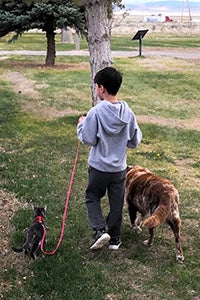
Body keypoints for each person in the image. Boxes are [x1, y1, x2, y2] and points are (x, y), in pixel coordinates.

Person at [77, 66, 142, 250]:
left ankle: (99, 231)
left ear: (102, 88)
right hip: (119, 169)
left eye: (96, 86)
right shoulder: (128, 113)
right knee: (116, 203)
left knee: (92, 197)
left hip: (98, 168)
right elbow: (134, 140)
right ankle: (115, 239)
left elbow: (88, 138)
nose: (96, 89)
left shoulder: (95, 112)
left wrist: (81, 125)